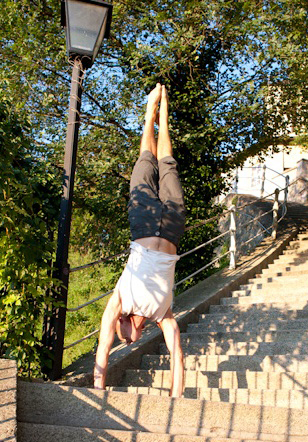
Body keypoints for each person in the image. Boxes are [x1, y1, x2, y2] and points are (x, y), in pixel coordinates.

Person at [94, 83, 186, 398]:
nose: (130, 341)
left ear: (122, 324)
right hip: (172, 226)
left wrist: (98, 388)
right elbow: (177, 355)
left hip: (143, 221)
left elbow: (103, 346)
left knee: (146, 163)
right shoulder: (163, 315)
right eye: (128, 341)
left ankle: (149, 114)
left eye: (126, 339)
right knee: (168, 165)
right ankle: (165, 112)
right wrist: (176, 397)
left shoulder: (119, 302)